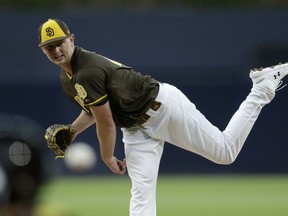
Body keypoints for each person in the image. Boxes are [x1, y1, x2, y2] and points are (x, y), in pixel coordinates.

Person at [38, 18, 288, 216]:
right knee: (141, 195)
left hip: (162, 108)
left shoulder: (87, 71)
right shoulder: (68, 77)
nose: (56, 49)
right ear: (43, 51)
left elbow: (105, 120)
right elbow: (92, 110)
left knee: (225, 152)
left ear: (72, 39)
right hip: (135, 129)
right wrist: (72, 131)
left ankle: (262, 88)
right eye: (50, 47)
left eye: (60, 42)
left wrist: (106, 157)